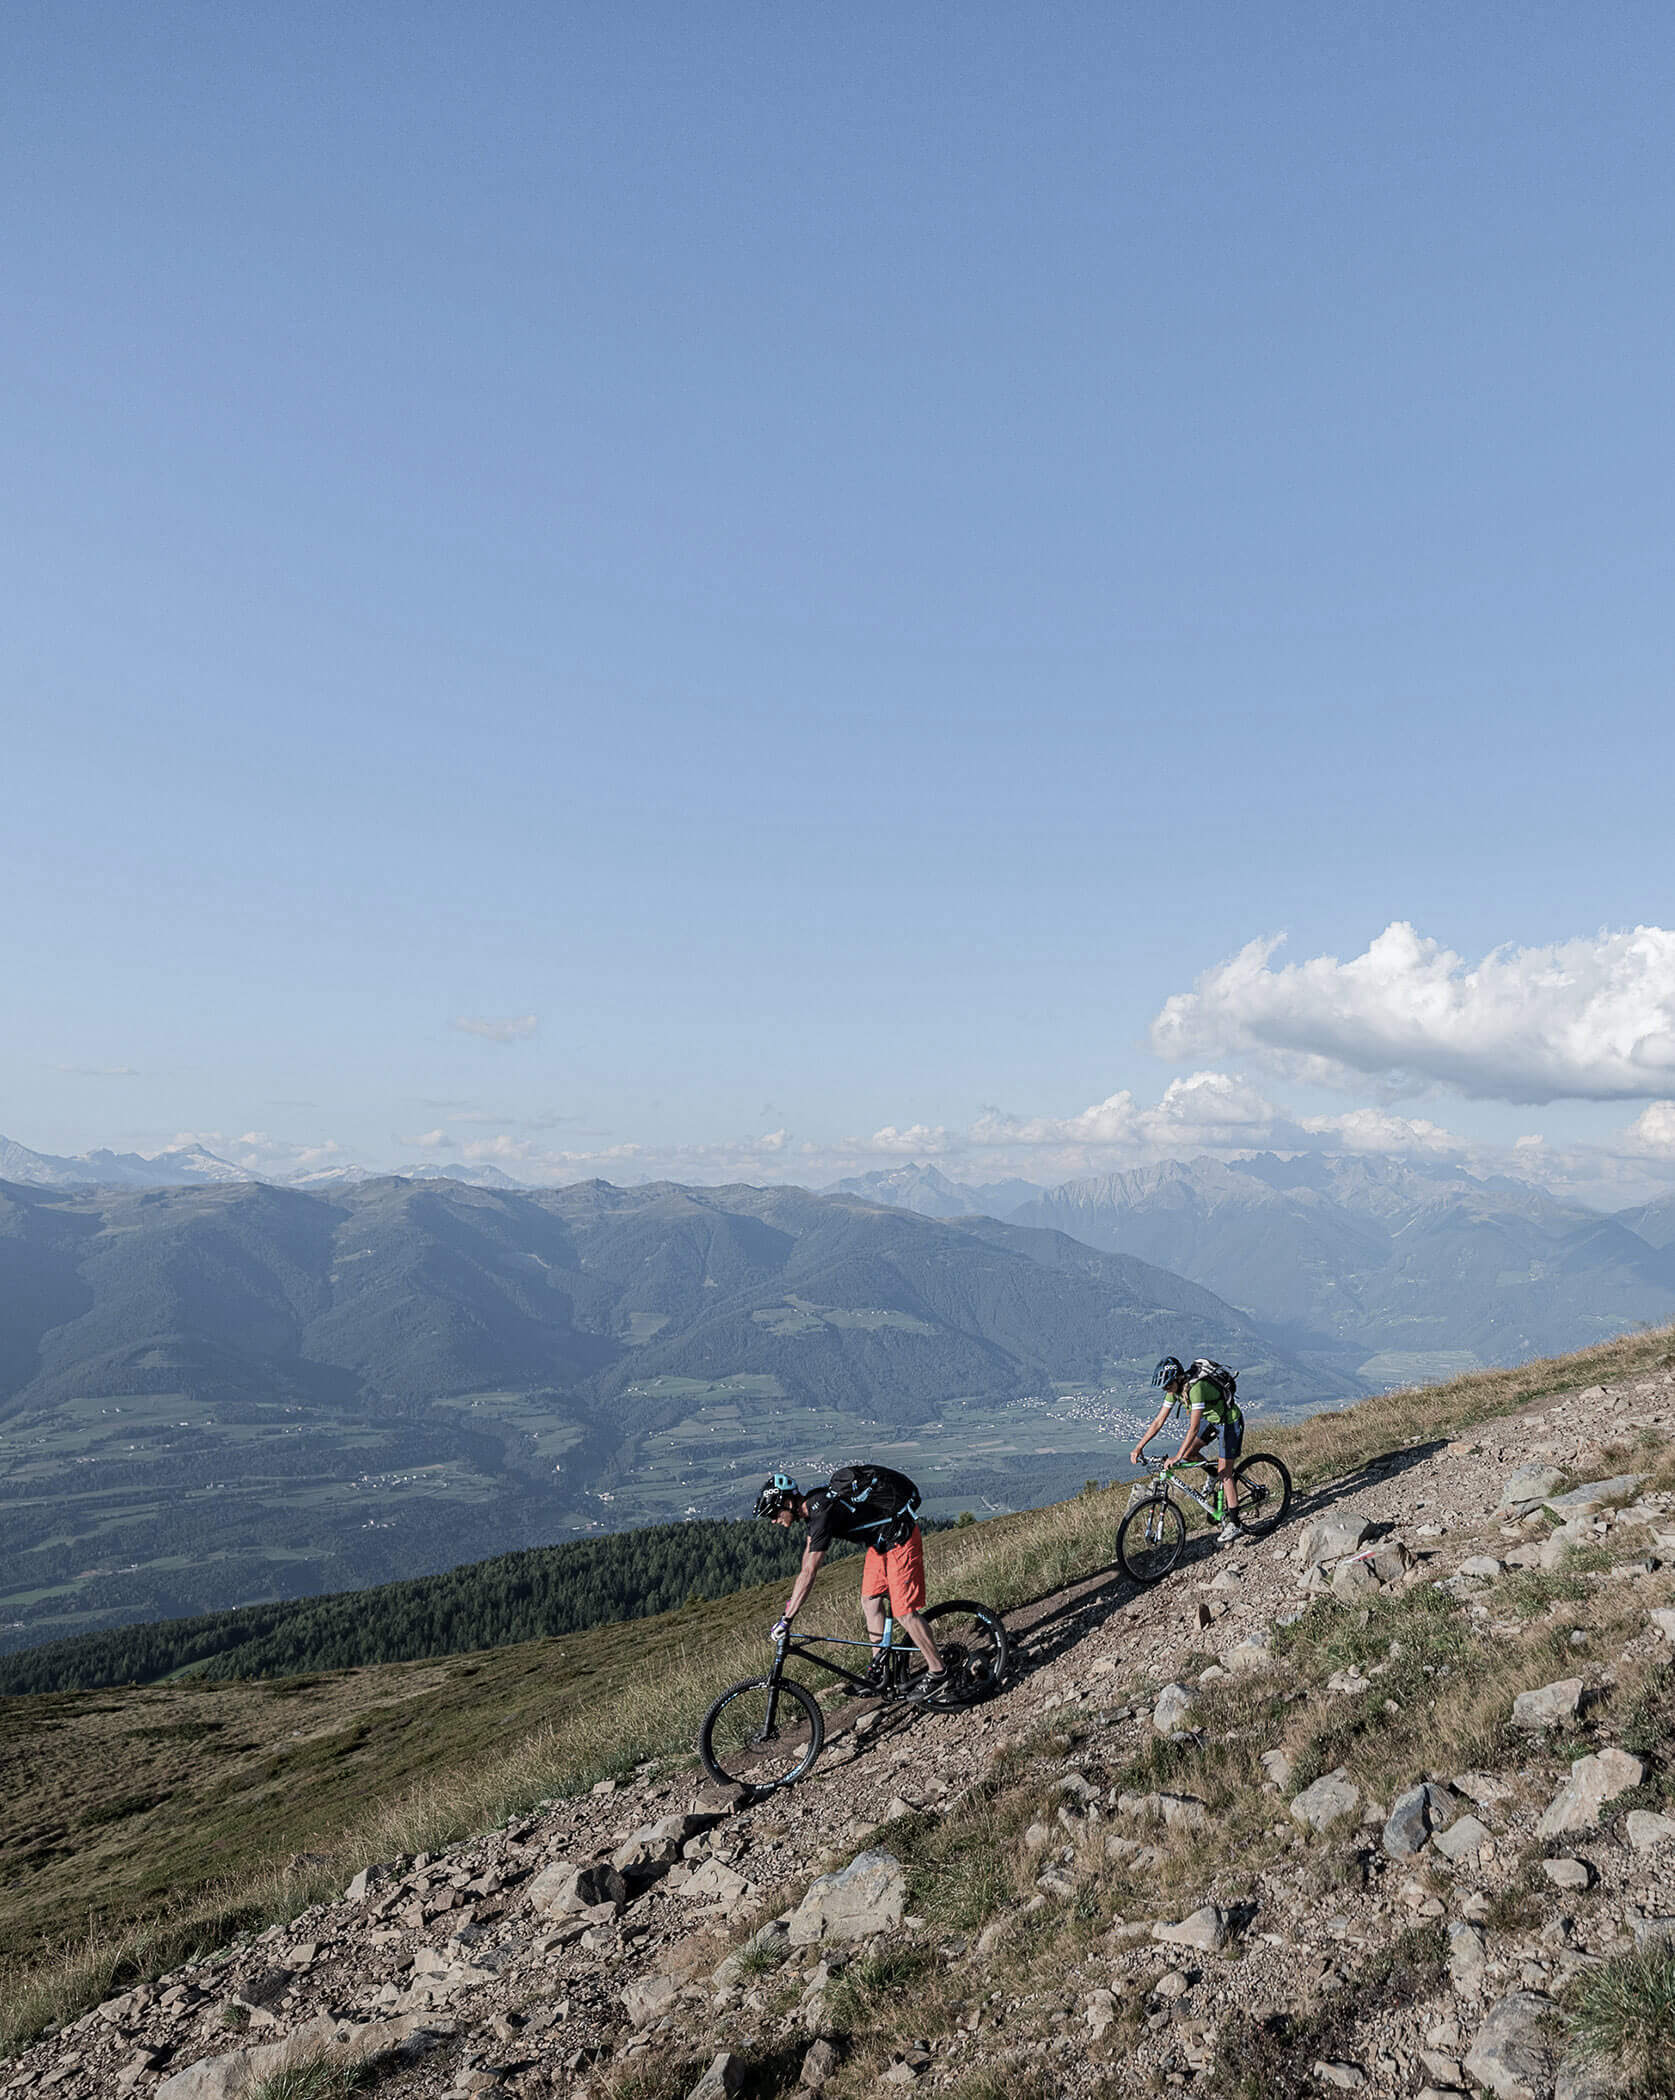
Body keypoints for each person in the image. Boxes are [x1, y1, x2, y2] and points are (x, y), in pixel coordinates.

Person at [754, 1467, 950, 1703]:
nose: (774, 1520)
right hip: (879, 1544)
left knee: (905, 1613)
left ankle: (939, 1672)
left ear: (787, 1502)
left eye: (774, 1513)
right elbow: (806, 1560)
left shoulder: (820, 1511)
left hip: (900, 1538)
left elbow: (810, 1572)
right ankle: (879, 1672)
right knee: (870, 1600)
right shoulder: (814, 1509)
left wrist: (787, 1620)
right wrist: (789, 1607)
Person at [1130, 1355, 1245, 1544]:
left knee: (1226, 1473)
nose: (1166, 1389)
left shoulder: (1195, 1389)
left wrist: (1177, 1456)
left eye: (1168, 1385)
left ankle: (1235, 1524)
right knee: (1192, 1454)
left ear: (1178, 1379)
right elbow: (1158, 1421)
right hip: (1213, 1420)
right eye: (1164, 1387)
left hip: (1229, 1421)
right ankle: (1213, 1474)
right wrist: (1139, 1447)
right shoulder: (1174, 1391)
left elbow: (1193, 1428)